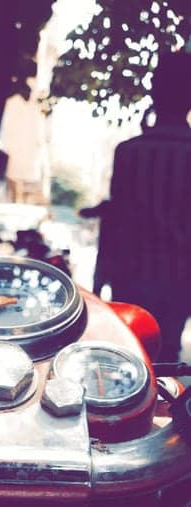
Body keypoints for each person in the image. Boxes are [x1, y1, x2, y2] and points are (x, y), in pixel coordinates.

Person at [81, 51, 191, 361]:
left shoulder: (130, 152)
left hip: (132, 277)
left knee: (131, 358)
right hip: (180, 279)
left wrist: (99, 280)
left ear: (155, 92)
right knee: (168, 356)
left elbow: (116, 222)